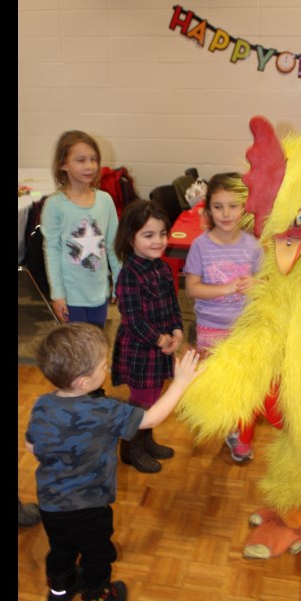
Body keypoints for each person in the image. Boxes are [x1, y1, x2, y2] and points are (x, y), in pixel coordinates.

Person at [25, 322, 201, 601]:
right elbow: (151, 418)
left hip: (51, 503)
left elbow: (31, 446)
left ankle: (59, 589)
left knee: (61, 548)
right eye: (103, 365)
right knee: (97, 555)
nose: (107, 367)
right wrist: (182, 382)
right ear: (83, 382)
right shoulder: (105, 411)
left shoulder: (42, 404)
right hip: (89, 506)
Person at [183, 173, 263, 462]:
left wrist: (257, 286)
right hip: (211, 328)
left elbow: (266, 285)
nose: (226, 213)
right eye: (218, 206)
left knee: (244, 384)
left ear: (244, 209)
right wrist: (226, 288)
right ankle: (223, 421)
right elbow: (192, 288)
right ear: (208, 210)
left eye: (233, 206)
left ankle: (239, 434)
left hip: (245, 329)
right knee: (217, 383)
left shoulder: (253, 246)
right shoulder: (200, 247)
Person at [111, 199, 186, 473]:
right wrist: (160, 340)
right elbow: (132, 320)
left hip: (160, 347)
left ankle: (147, 439)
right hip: (141, 349)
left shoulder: (163, 268)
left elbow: (172, 305)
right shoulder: (129, 275)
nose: (158, 241)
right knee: (141, 402)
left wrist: (177, 330)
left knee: (153, 397)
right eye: (149, 235)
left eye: (163, 234)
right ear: (131, 239)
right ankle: (131, 449)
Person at [41, 130, 122, 329]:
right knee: (76, 350)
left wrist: (119, 281)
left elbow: (113, 245)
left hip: (99, 294)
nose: (90, 166)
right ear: (63, 164)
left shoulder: (105, 201)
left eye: (94, 159)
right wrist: (57, 294)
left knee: (96, 345)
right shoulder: (55, 205)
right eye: (81, 160)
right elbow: (52, 250)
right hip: (71, 297)